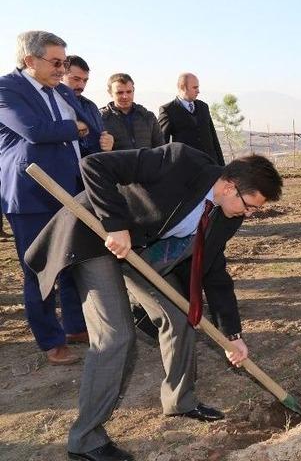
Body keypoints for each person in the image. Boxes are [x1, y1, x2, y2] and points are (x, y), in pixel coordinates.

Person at [25, 143, 282, 461]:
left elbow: (214, 273)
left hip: (139, 248)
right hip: (95, 235)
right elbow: (94, 165)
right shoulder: (181, 161)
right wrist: (115, 224)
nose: (249, 214)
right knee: (116, 337)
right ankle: (85, 440)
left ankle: (180, 400)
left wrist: (232, 334)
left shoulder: (227, 215)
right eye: (249, 206)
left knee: (182, 315)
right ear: (230, 185)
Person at [0, 30, 103, 365]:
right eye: (56, 62)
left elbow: (88, 122)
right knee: (39, 269)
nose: (62, 69)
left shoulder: (59, 91)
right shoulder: (6, 89)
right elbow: (34, 131)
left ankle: (74, 326)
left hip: (71, 189)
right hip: (32, 195)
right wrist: (77, 130)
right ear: (30, 60)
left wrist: (94, 136)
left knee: (73, 260)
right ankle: (50, 340)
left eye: (64, 62)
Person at [158, 72, 225, 165]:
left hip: (211, 166)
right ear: (182, 87)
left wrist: (222, 168)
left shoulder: (203, 107)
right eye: (195, 87)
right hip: (186, 168)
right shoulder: (168, 110)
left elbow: (214, 139)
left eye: (198, 87)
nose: (198, 91)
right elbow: (161, 144)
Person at [63, 55, 114, 154]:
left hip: (90, 165)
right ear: (61, 76)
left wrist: (108, 142)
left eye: (85, 80)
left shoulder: (90, 106)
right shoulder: (52, 104)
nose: (81, 85)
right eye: (76, 79)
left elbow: (101, 137)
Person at [100, 73, 164, 151]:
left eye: (129, 92)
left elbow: (161, 149)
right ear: (110, 93)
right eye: (120, 93)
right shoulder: (101, 119)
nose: (125, 96)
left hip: (147, 163)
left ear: (133, 91)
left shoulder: (148, 117)